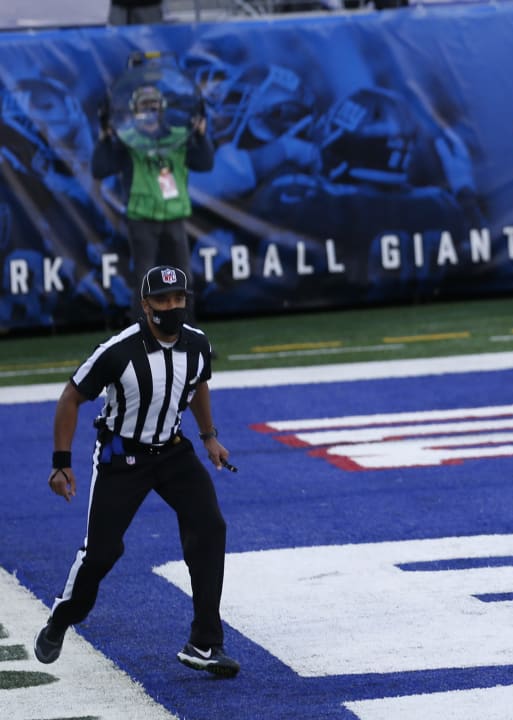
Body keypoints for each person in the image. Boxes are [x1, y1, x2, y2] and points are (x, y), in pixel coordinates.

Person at [34, 265, 239, 678]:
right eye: (162, 300)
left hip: (173, 451)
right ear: (145, 305)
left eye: (178, 298)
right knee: (102, 553)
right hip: (122, 455)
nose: (171, 306)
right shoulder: (118, 350)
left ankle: (203, 642)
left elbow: (198, 383)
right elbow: (71, 397)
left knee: (210, 527)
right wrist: (61, 464)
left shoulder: (197, 345)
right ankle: (61, 618)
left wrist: (209, 436)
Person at [93, 83, 214, 322]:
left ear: (161, 108)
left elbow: (205, 163)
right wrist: (105, 139)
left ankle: (187, 335)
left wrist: (201, 135)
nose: (149, 110)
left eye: (153, 105)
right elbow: (100, 169)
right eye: (144, 106)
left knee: (184, 278)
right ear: (134, 109)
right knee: (143, 279)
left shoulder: (178, 136)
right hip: (142, 218)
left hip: (174, 216)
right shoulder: (128, 140)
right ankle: (141, 337)